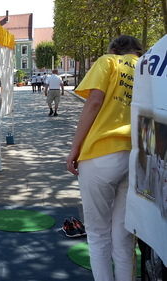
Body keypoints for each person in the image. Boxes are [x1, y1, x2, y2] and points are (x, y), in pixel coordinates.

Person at [66, 35, 143, 281]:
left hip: (100, 154)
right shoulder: (148, 68)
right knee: (124, 236)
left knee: (98, 234)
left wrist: (75, 149)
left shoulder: (108, 62)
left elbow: (94, 102)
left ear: (114, 49)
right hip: (136, 155)